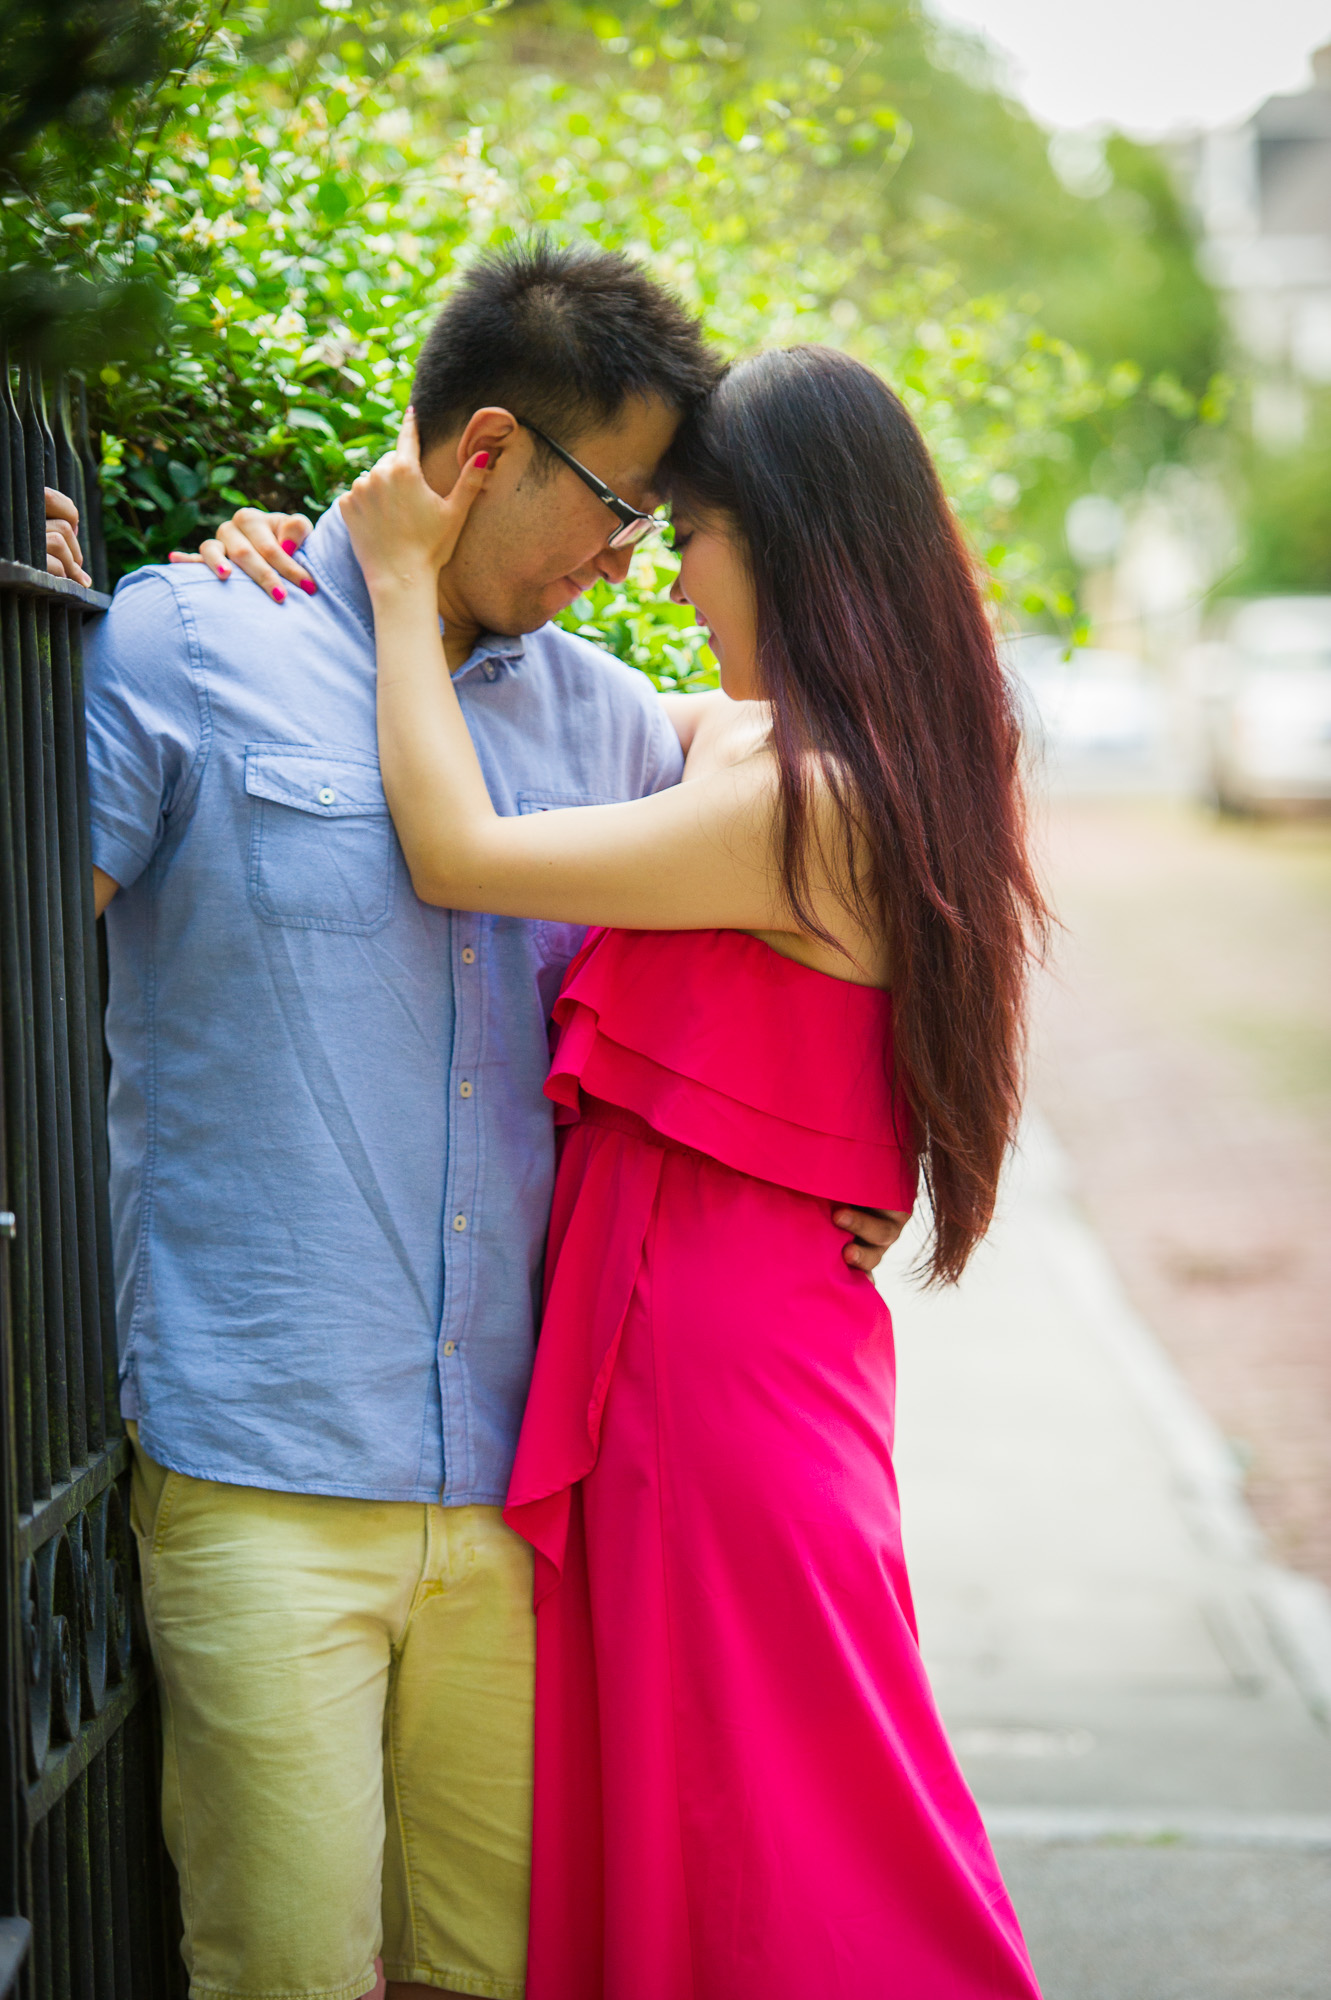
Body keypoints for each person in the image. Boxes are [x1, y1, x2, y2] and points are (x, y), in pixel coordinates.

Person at [82, 242, 902, 2000]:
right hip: (264, 1469)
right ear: (485, 456)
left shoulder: (610, 725)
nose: (633, 561)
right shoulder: (186, 640)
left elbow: (893, 834)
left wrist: (886, 1155)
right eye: (616, 509)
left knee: (510, 1974)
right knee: (288, 1973)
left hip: (529, 1509)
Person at [333, 349, 1049, 2000]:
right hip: (691, 1361)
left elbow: (460, 851)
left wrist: (386, 584)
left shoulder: (809, 799)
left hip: (711, 1392)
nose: (664, 577)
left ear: (779, 544)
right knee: (722, 1835)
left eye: (687, 537)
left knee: (804, 1848)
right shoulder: (772, 748)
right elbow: (512, 697)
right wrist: (268, 574)